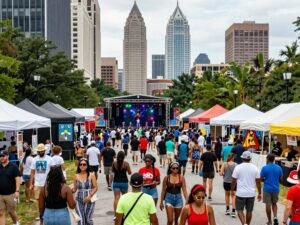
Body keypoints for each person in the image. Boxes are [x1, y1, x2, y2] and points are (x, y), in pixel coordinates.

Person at [231, 151, 262, 225]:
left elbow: (233, 180)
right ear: (250, 158)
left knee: (239, 210)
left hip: (241, 193)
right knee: (249, 211)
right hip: (251, 193)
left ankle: (244, 223)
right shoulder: (255, 168)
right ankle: (247, 224)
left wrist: (232, 189)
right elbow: (258, 182)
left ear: (242, 158)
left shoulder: (238, 167)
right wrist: (260, 193)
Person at [30, 143, 54, 221]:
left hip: (47, 183)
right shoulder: (34, 159)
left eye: (42, 151)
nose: (41, 152)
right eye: (39, 151)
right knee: (38, 200)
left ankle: (47, 214)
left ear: (44, 150)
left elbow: (53, 171)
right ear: (37, 152)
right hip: (37, 183)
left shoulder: (50, 159)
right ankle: (40, 215)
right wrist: (31, 183)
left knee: (48, 199)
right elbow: (32, 172)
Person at [72, 158, 98, 225]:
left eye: (84, 164)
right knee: (81, 219)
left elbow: (95, 187)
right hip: (78, 199)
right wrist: (67, 191)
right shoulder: (76, 176)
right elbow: (74, 189)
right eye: (80, 164)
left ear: (87, 165)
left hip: (90, 199)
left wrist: (90, 196)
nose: (82, 166)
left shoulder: (91, 175)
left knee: (88, 219)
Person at [260, 154, 283, 225]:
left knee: (268, 204)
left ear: (267, 159)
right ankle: (275, 217)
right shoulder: (279, 168)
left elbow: (261, 179)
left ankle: (269, 221)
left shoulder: (264, 168)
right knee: (274, 203)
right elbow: (281, 179)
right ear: (274, 159)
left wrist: (265, 179)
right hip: (276, 188)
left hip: (267, 188)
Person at [0, 150, 20, 225]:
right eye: (0, 156)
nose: (1, 158)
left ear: (7, 156)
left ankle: (16, 223)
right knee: (1, 213)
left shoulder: (13, 166)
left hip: (10, 194)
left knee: (11, 211)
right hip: (0, 195)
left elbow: (17, 179)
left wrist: (17, 191)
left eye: (3, 156)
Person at [219, 153, 237, 218]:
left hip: (226, 182)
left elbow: (220, 173)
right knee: (233, 196)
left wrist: (223, 174)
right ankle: (233, 211)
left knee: (227, 195)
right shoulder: (235, 165)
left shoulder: (224, 164)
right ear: (233, 158)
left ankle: (227, 209)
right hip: (234, 183)